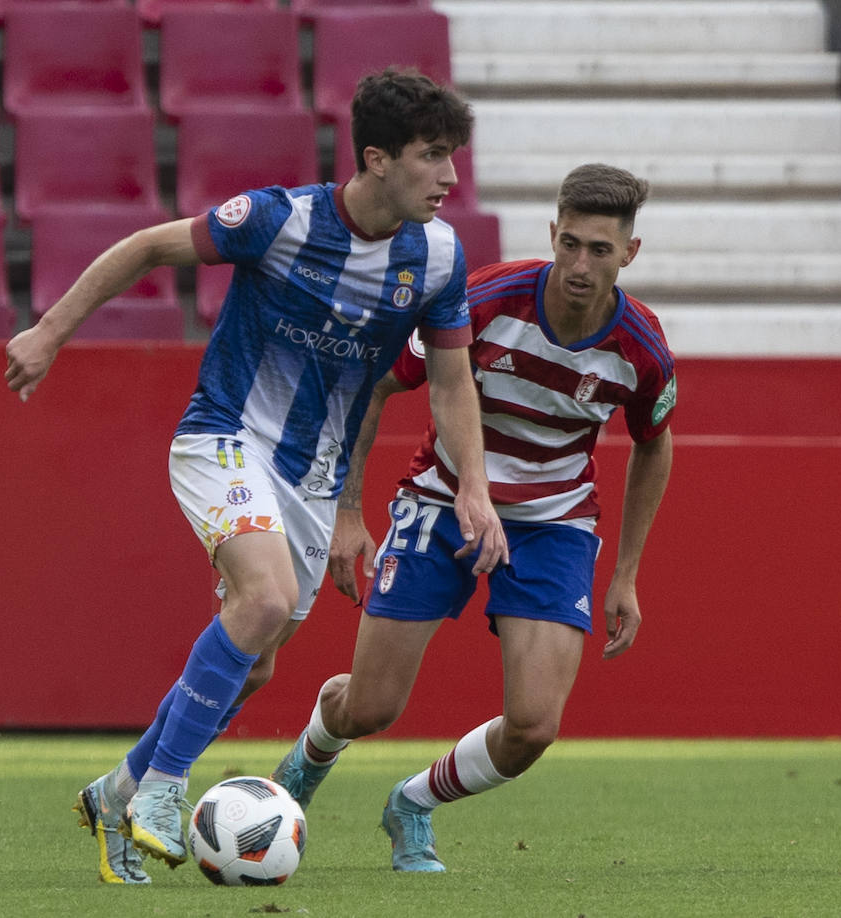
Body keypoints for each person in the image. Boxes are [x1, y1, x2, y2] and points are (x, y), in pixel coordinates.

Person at [3, 68, 508, 885]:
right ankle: (162, 792)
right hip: (226, 437)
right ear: (376, 158)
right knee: (265, 600)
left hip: (310, 483)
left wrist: (475, 488)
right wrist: (49, 332)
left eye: (454, 157)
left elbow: (450, 384)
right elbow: (146, 246)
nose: (451, 178)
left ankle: (118, 790)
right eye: (433, 156)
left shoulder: (439, 257)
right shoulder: (278, 218)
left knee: (259, 660)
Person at [270, 163, 676, 872]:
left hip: (553, 523)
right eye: (571, 244)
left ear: (629, 255)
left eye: (600, 251)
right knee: (371, 708)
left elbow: (654, 445)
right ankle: (313, 752)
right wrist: (346, 511)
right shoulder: (485, 298)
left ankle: (413, 804)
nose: (581, 264)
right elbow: (377, 387)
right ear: (552, 234)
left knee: (534, 727)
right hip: (443, 501)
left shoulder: (640, 347)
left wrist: (627, 574)